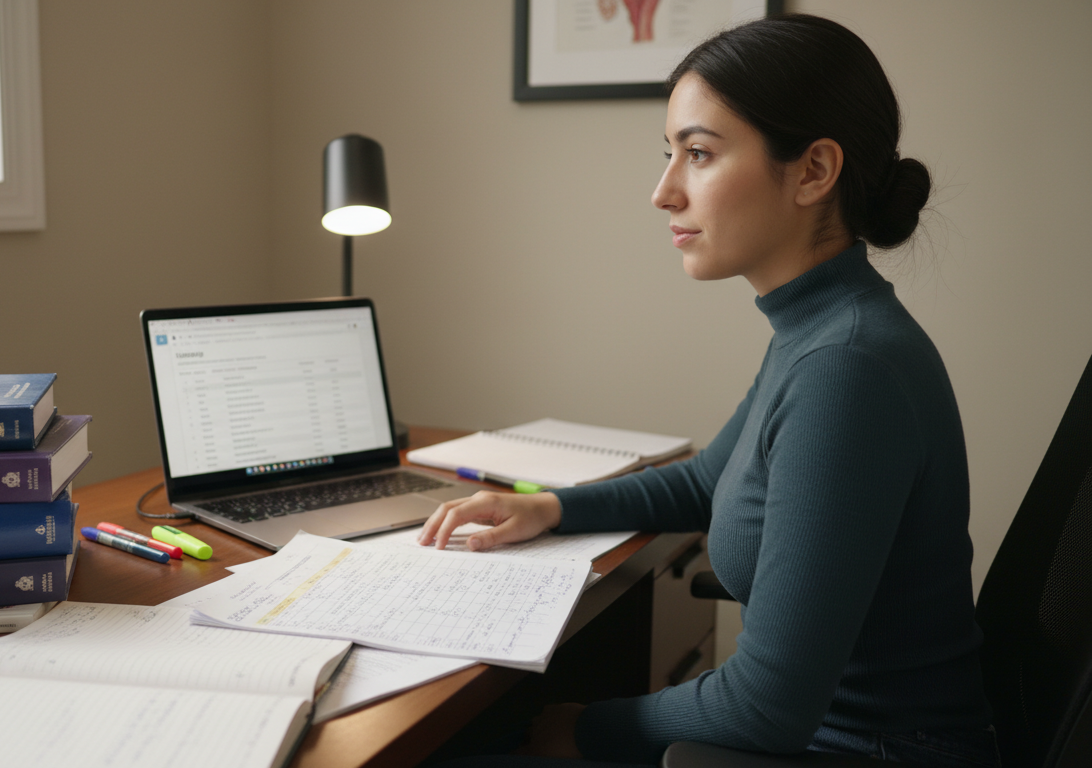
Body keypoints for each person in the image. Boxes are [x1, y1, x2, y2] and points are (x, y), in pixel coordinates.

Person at [419, 14, 999, 768]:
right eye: (669, 155)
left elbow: (766, 709)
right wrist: (551, 507)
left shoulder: (847, 368)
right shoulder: (821, 330)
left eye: (697, 154)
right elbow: (706, 479)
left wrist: (583, 727)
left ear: (814, 171)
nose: (663, 192)